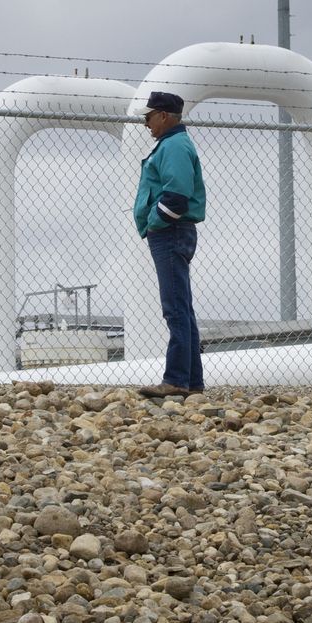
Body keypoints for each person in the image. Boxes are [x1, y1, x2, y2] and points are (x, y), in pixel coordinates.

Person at [133, 90, 206, 397]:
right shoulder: (174, 144)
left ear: (163, 116)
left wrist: (154, 222)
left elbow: (176, 194)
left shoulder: (173, 146)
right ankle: (191, 382)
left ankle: (176, 380)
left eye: (149, 117)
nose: (146, 124)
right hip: (174, 231)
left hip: (171, 232)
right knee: (181, 308)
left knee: (174, 308)